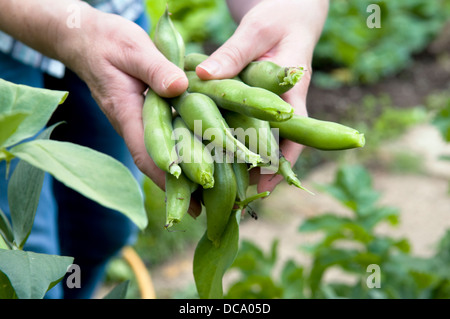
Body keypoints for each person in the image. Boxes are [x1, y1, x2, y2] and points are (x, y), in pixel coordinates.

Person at [0, 0, 329, 299]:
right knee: (25, 253)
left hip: (114, 20)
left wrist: (292, 13)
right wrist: (73, 31)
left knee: (104, 228)